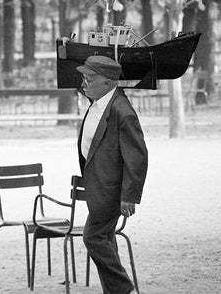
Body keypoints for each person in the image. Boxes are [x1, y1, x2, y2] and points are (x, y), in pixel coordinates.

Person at [76, 55, 148, 294]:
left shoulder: (122, 111)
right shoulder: (99, 102)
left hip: (111, 190)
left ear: (107, 82)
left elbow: (137, 157)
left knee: (92, 237)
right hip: (97, 186)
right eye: (84, 78)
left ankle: (123, 289)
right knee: (105, 238)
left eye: (89, 79)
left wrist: (129, 195)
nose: (84, 83)